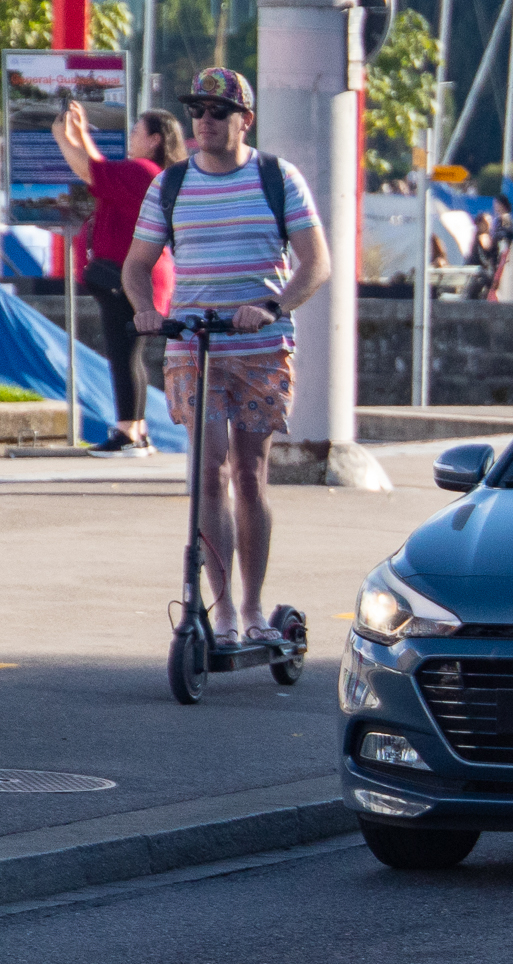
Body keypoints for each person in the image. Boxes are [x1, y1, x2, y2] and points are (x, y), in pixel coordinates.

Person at [124, 67, 330, 650]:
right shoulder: (171, 185)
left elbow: (316, 263)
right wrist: (146, 310)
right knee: (208, 474)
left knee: (249, 474)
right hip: (194, 344)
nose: (204, 121)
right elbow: (136, 265)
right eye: (197, 111)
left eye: (218, 111)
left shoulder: (276, 178)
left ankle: (253, 604)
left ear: (246, 120)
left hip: (260, 348)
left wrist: (271, 306)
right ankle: (220, 611)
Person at [53, 101, 183, 457]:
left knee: (122, 354)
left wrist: (60, 137)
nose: (131, 137)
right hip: (136, 276)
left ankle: (127, 433)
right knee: (130, 354)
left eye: (137, 132)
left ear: (154, 140)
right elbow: (100, 169)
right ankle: (137, 430)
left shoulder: (141, 170)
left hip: (126, 276)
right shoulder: (149, 172)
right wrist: (80, 134)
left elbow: (88, 171)